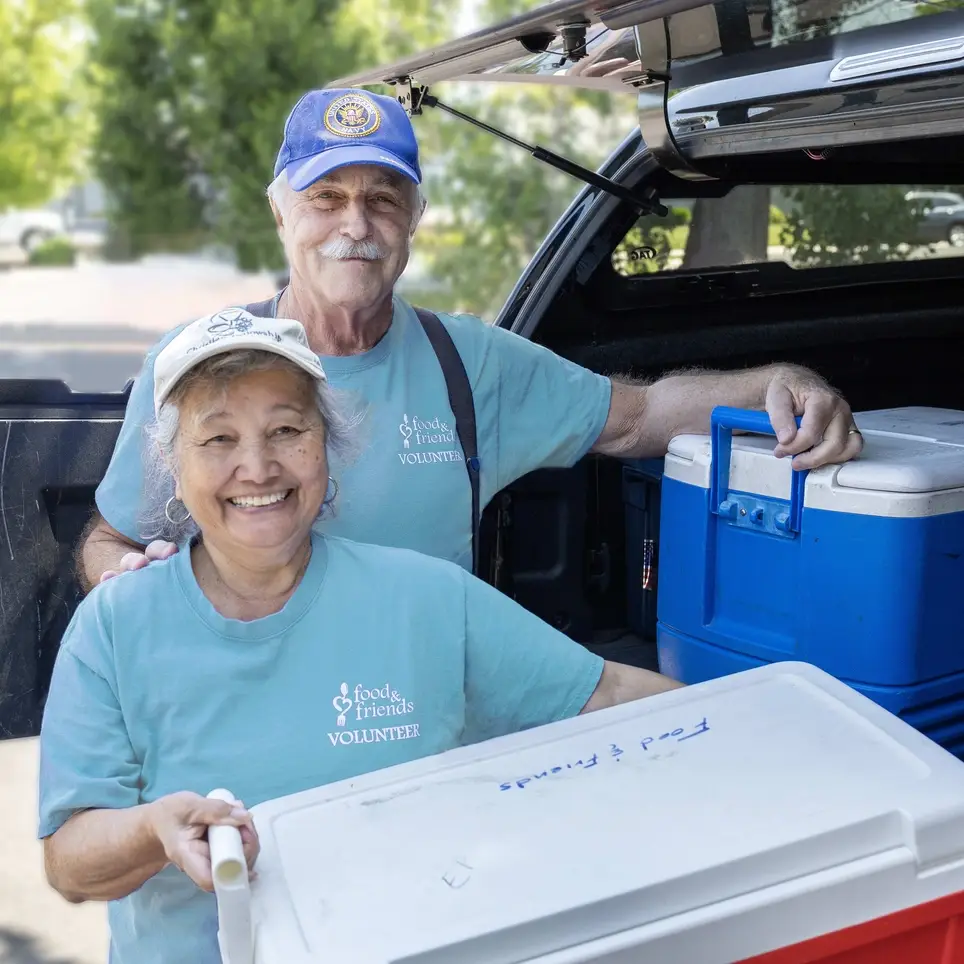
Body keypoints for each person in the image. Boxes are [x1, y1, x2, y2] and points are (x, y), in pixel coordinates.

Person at [40, 314, 681, 964]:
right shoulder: (114, 626)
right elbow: (70, 861)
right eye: (218, 438)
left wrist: (768, 732)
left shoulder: (424, 597)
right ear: (172, 471)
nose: (257, 467)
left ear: (326, 446)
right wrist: (155, 829)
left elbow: (611, 695)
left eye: (286, 430)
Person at [79, 86, 863, 588]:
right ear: (280, 214)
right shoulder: (196, 364)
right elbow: (108, 538)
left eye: (383, 200)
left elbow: (639, 418)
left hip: (426, 724)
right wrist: (120, 575)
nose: (356, 225)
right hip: (252, 717)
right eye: (326, 197)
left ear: (413, 221)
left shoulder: (468, 363)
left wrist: (776, 383)